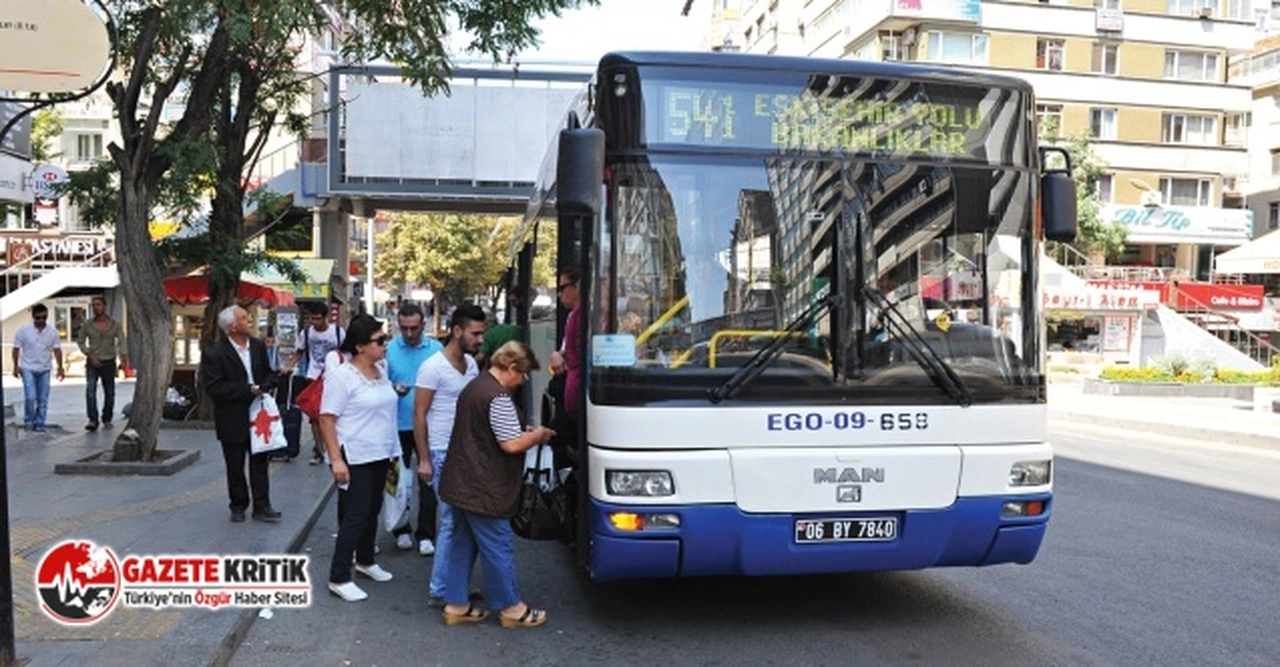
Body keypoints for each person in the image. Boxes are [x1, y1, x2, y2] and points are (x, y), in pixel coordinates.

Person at [438, 341, 555, 628]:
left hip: (460, 481)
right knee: (497, 546)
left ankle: (456, 604)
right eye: (523, 374)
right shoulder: (498, 396)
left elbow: (484, 431)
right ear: (512, 368)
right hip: (484, 487)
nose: (523, 380)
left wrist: (520, 432)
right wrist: (537, 435)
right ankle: (512, 607)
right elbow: (511, 445)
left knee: (462, 545)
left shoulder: (476, 386)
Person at [318, 315, 399, 602]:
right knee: (355, 515)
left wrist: (393, 451)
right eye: (379, 341)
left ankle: (366, 561)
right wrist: (336, 460)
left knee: (372, 509)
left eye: (385, 340)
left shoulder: (381, 369)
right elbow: (327, 419)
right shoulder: (341, 376)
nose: (385, 346)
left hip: (380, 452)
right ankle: (339, 577)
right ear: (361, 346)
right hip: (355, 454)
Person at [415, 303, 487, 608]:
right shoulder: (432, 367)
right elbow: (419, 415)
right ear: (457, 331)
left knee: (461, 521)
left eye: (482, 333)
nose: (480, 339)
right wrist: (424, 459)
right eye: (475, 333)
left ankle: (452, 584)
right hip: (442, 452)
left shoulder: (470, 365)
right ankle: (441, 588)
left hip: (464, 452)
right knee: (452, 521)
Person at [201, 306, 288, 523]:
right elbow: (214, 388)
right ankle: (238, 505)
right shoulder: (216, 354)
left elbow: (269, 372)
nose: (249, 320)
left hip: (258, 413)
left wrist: (267, 385)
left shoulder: (257, 346)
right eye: (244, 318)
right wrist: (246, 390)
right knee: (235, 463)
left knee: (260, 460)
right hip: (232, 415)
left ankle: (262, 506)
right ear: (232, 327)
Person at [384, 303, 443, 555]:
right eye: (404, 328)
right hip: (396, 424)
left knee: (428, 479)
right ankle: (401, 529)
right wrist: (392, 388)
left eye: (414, 328)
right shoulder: (388, 350)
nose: (409, 334)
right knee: (397, 481)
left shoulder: (437, 350)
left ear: (423, 325)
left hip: (429, 425)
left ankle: (426, 533)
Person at [289, 303, 345, 465]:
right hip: (313, 377)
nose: (314, 322)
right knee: (314, 416)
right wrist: (288, 366)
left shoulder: (337, 333)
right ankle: (319, 449)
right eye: (311, 318)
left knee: (331, 414)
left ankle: (332, 445)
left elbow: (346, 352)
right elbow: (299, 351)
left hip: (334, 378)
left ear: (325, 317)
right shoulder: (306, 333)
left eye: (317, 318)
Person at [76, 296, 128, 432]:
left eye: (98, 304)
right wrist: (89, 354)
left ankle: (107, 417)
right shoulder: (87, 324)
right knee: (90, 391)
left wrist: (123, 356)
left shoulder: (115, 324)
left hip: (109, 361)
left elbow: (122, 340)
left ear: (104, 306)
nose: (96, 307)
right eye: (93, 305)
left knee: (109, 392)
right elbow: (80, 341)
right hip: (93, 361)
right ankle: (93, 419)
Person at [11, 303, 65, 432]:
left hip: (45, 368)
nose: (41, 321)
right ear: (33, 317)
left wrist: (60, 367)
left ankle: (40, 423)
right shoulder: (24, 331)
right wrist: (15, 366)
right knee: (30, 396)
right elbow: (16, 349)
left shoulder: (52, 332)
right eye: (38, 318)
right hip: (28, 367)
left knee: (43, 398)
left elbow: (57, 350)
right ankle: (29, 420)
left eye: (44, 318)